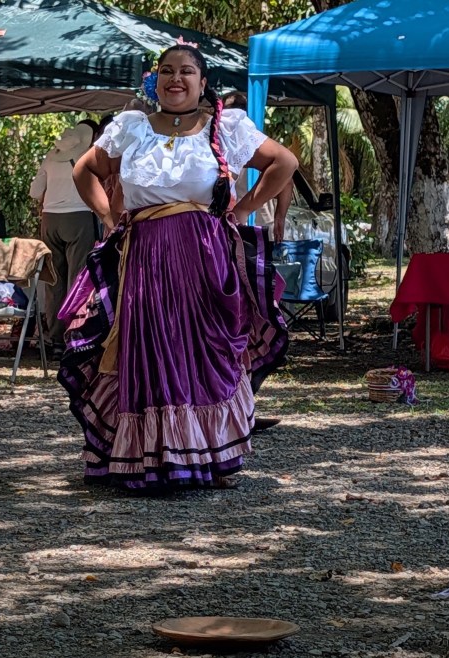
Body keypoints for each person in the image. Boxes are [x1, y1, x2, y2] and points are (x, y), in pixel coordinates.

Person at [57, 42, 297, 492]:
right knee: (150, 349)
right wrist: (110, 219)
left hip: (204, 256)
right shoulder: (130, 127)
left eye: (187, 72)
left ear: (202, 83)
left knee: (203, 353)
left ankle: (209, 453)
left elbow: (284, 163)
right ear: (156, 81)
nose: (176, 79)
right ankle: (149, 455)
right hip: (144, 256)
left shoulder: (226, 127)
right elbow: (84, 172)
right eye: (167, 71)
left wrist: (242, 211)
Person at [29, 119, 99, 357]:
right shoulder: (89, 155)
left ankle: (54, 338)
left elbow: (34, 191)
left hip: (50, 219)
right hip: (78, 217)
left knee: (53, 280)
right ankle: (73, 334)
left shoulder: (50, 156)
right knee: (77, 278)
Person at [222, 90, 293, 243]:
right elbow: (287, 180)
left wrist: (242, 209)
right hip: (253, 223)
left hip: (232, 222)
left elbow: (288, 166)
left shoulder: (228, 139)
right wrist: (279, 217)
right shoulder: (254, 144)